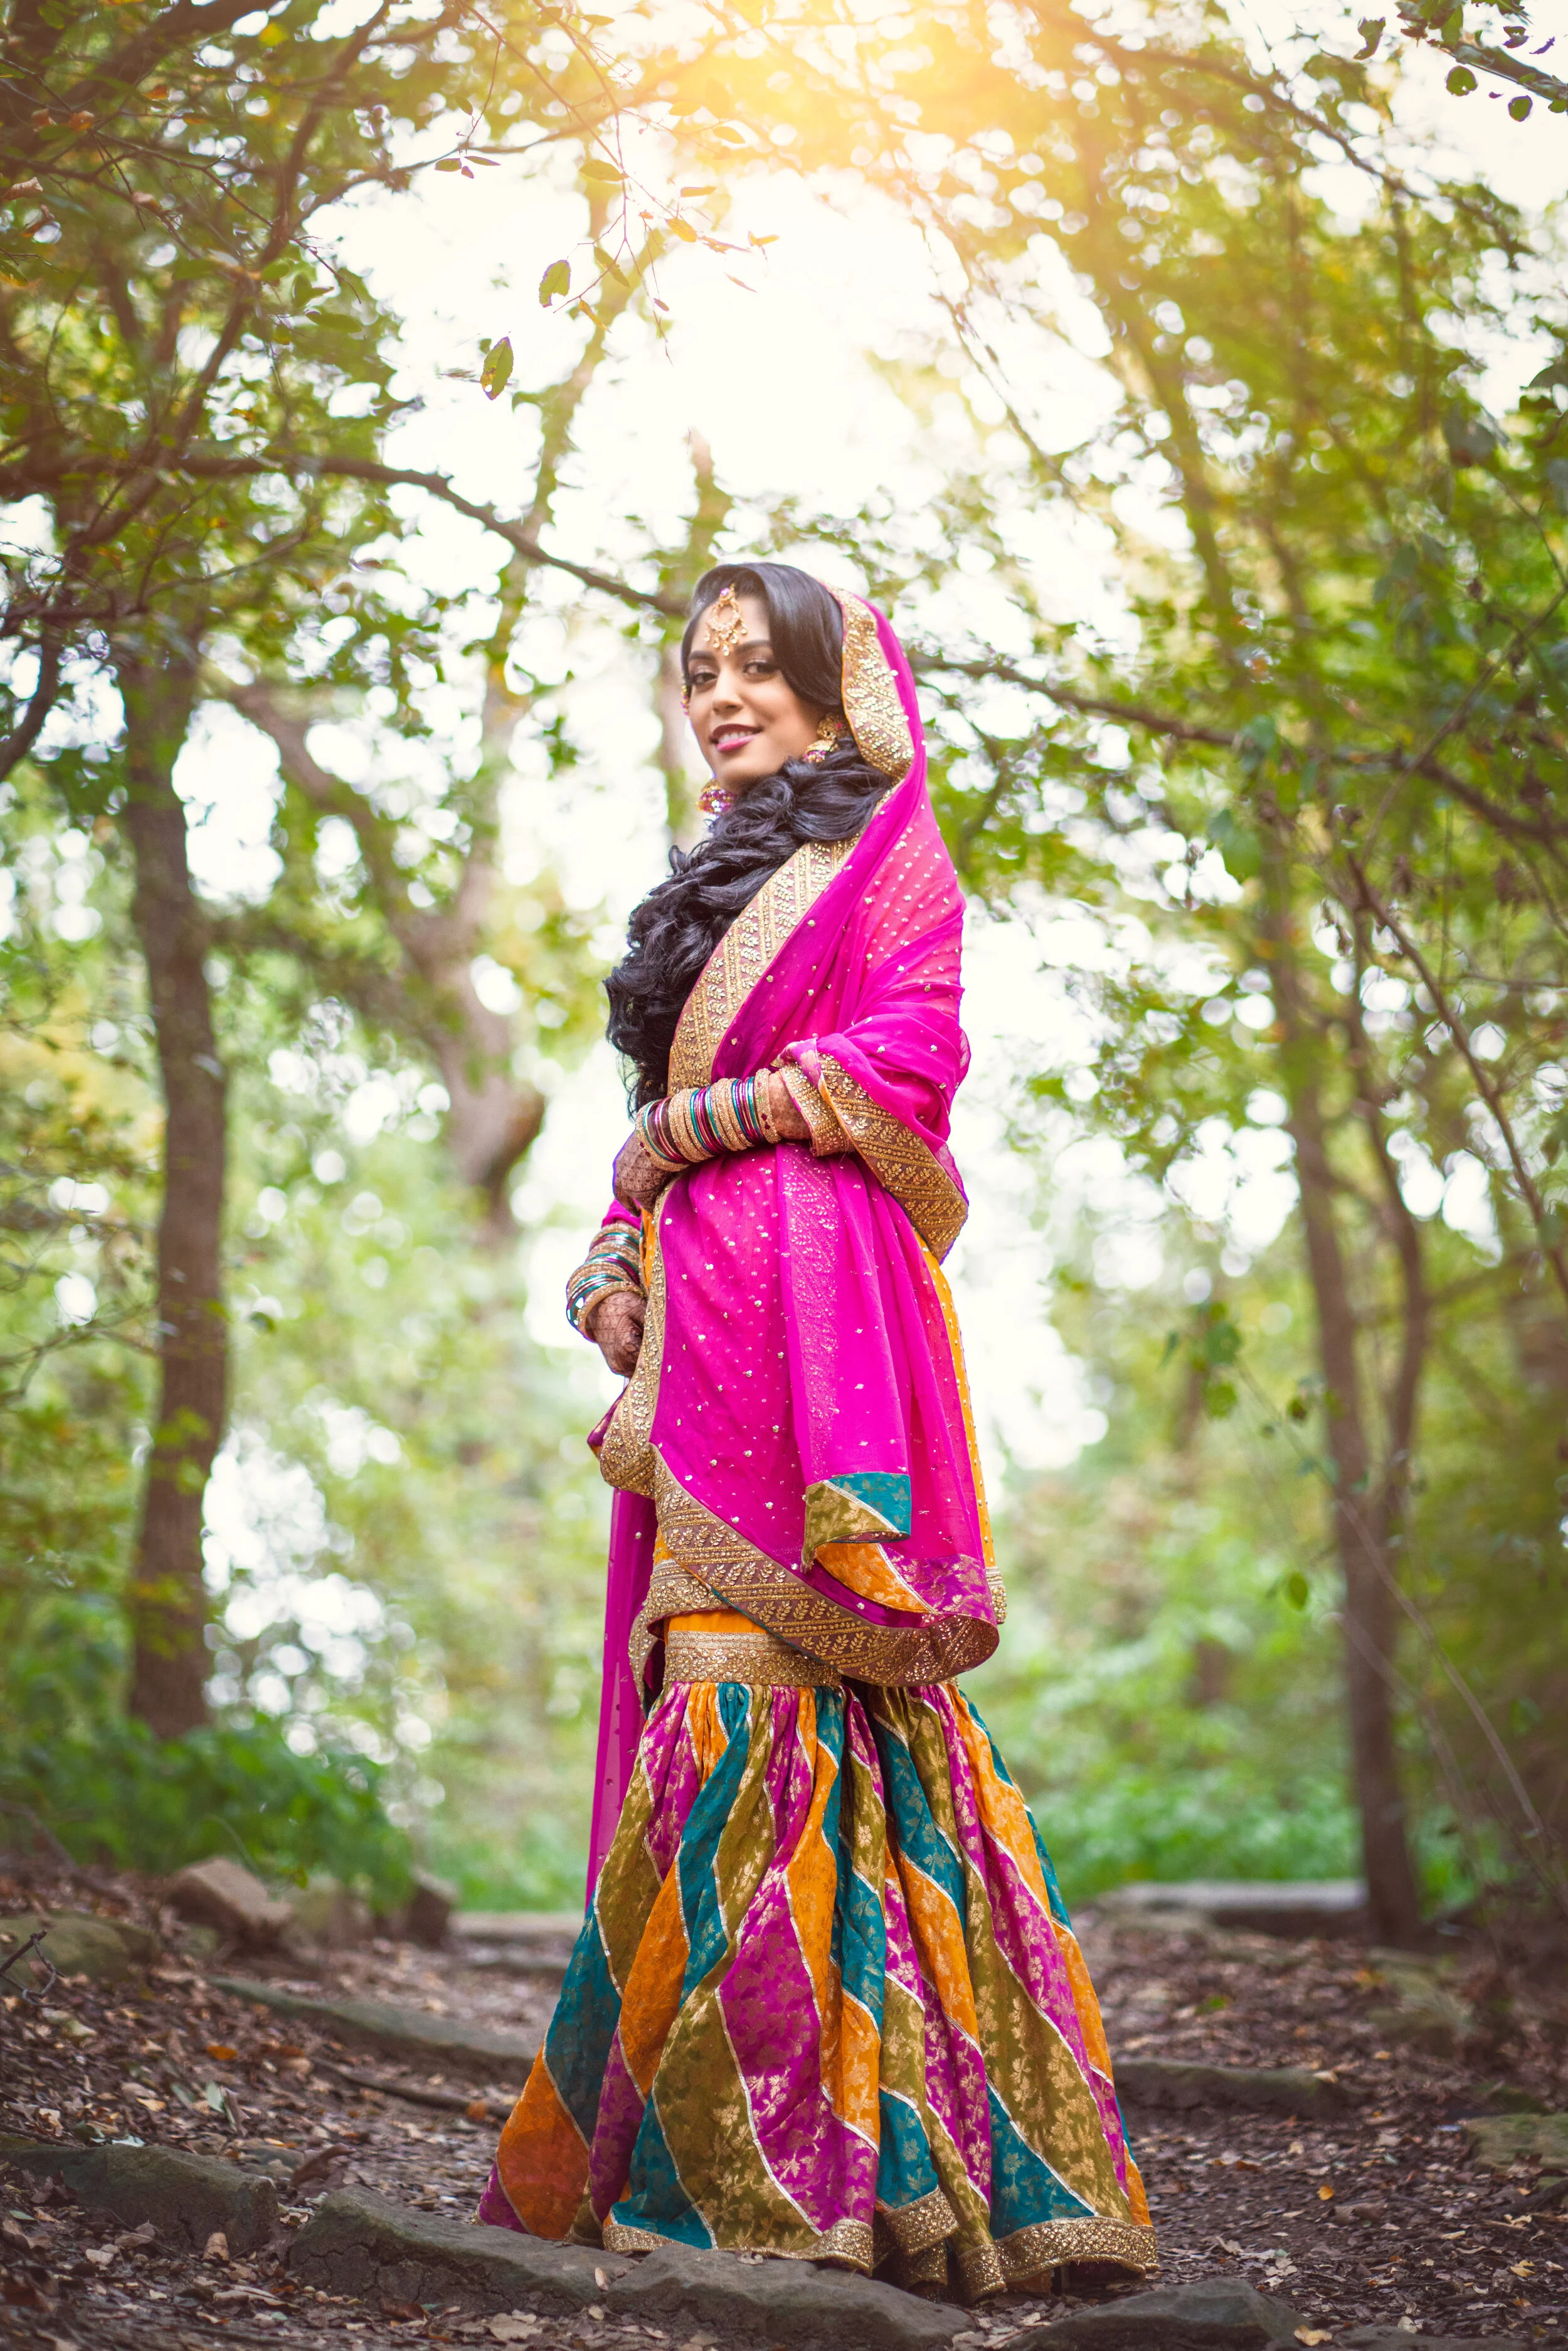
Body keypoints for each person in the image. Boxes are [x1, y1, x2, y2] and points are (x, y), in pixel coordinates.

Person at [477, 564, 1157, 2303]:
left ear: (835, 687)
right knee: (718, 1693)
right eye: (700, 669)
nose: (722, 695)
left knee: (820, 1698)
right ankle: (755, 2151)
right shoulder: (697, 893)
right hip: (698, 1330)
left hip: (819, 1326)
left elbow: (908, 1054)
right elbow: (641, 1140)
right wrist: (608, 1264)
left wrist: (689, 1136)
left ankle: (847, 2171)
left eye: (757, 667)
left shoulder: (888, 856)